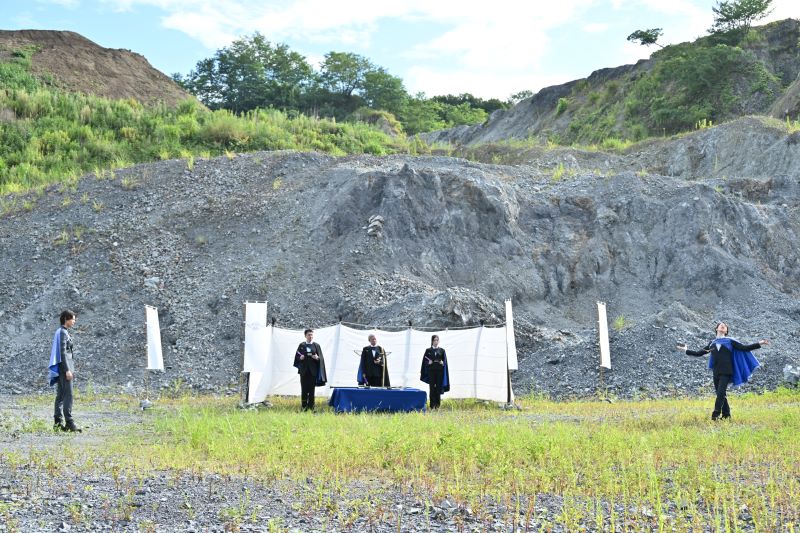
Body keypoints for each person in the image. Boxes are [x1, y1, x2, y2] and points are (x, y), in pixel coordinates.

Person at [677, 322, 768, 420]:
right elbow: (699, 353)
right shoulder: (712, 343)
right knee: (721, 394)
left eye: (725, 326)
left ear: (726, 331)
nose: (723, 325)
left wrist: (760, 343)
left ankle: (715, 415)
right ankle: (726, 415)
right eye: (721, 325)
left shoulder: (730, 341)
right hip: (716, 372)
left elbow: (744, 348)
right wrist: (686, 350)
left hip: (726, 371)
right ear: (716, 329)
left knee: (720, 393)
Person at [48, 310, 81, 432]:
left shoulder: (62, 331)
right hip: (64, 369)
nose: (74, 321)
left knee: (61, 395)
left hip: (63, 368)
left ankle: (58, 423)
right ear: (66, 319)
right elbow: (62, 352)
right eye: (72, 319)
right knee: (69, 395)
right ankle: (69, 423)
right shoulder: (62, 332)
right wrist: (67, 370)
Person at [293, 329, 327, 411]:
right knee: (304, 389)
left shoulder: (316, 345)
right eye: (309, 335)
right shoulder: (301, 345)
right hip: (304, 371)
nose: (310, 336)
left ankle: (311, 407)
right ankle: (304, 406)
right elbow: (297, 356)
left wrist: (317, 358)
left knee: (312, 390)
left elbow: (321, 359)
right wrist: (300, 358)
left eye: (312, 335)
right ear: (305, 336)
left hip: (313, 372)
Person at [420, 334, 450, 409]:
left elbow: (444, 362)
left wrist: (443, 363)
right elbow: (425, 361)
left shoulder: (442, 350)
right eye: (434, 340)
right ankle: (432, 405)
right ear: (432, 341)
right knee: (432, 387)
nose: (436, 342)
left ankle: (437, 405)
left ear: (439, 341)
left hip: (439, 372)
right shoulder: (428, 350)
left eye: (437, 340)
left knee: (438, 388)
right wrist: (428, 362)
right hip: (431, 372)